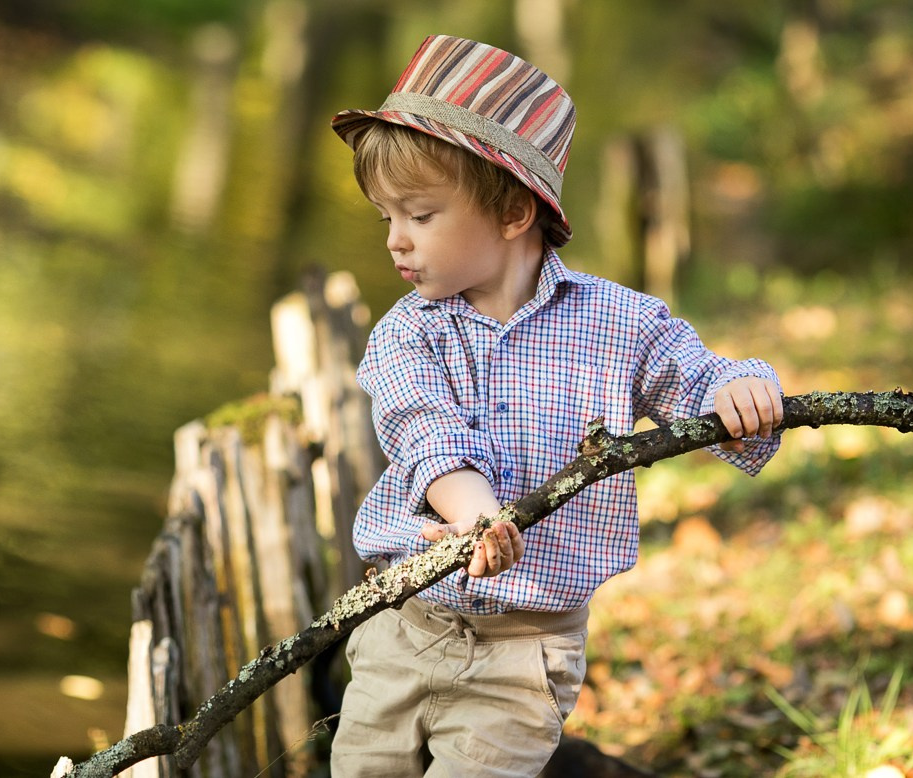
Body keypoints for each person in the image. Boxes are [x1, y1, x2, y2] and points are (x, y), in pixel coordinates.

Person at [326, 35, 784, 777]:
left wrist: (740, 389)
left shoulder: (620, 324)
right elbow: (423, 431)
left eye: (419, 215)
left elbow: (698, 382)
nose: (396, 241)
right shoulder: (407, 332)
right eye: (387, 219)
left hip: (525, 651)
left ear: (512, 213)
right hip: (404, 625)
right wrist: (473, 512)